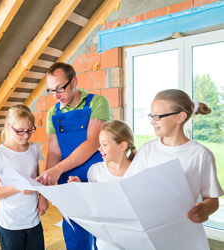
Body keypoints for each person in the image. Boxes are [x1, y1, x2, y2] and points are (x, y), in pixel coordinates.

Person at [37, 62, 112, 250]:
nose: (56, 95)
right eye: (51, 90)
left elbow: (92, 143)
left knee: (102, 237)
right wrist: (44, 193)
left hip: (95, 179)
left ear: (75, 82)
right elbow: (54, 152)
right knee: (74, 235)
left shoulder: (97, 103)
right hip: (67, 182)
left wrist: (57, 169)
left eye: (60, 88)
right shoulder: (53, 113)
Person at [125, 89, 224, 224]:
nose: (152, 122)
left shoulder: (201, 154)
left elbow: (212, 199)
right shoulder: (147, 150)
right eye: (151, 116)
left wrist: (204, 209)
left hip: (184, 231)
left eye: (157, 117)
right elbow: (128, 187)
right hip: (151, 226)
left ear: (180, 117)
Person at [0, 104, 48, 250]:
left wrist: (43, 198)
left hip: (33, 222)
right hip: (10, 225)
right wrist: (18, 188)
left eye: (30, 130)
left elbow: (37, 178)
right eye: (20, 131)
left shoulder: (33, 148)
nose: (26, 136)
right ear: (8, 126)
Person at [68, 120, 137, 250]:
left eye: (104, 144)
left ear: (122, 146)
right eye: (100, 144)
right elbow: (92, 203)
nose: (99, 149)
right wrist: (81, 188)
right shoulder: (96, 171)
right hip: (106, 244)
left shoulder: (138, 170)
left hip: (133, 241)